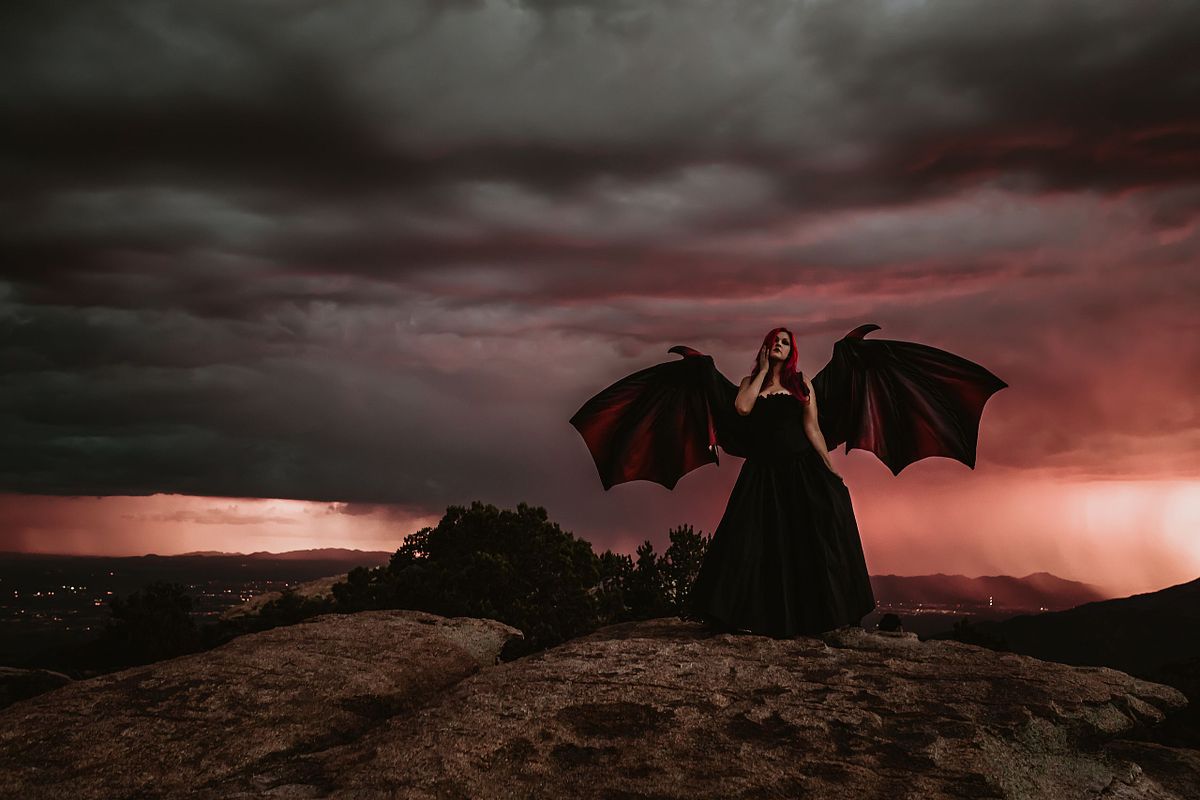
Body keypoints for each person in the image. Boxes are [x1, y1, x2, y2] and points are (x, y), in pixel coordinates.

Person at [685, 327, 876, 637]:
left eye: (785, 342)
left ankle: (831, 612)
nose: (779, 345)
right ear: (765, 347)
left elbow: (813, 430)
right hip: (761, 473)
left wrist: (831, 469)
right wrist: (762, 371)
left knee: (810, 537)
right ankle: (732, 614)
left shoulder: (802, 385)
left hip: (801, 471)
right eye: (775, 340)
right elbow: (742, 407)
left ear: (791, 351)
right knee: (746, 539)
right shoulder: (750, 384)